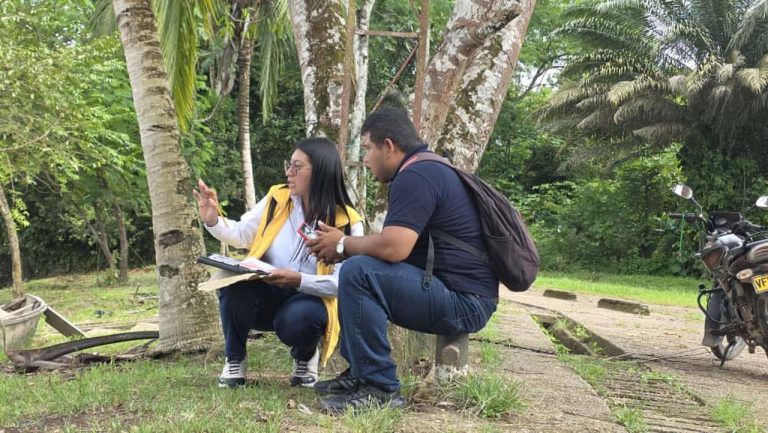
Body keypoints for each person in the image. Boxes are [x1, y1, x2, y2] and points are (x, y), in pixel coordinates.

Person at [308, 107, 499, 413]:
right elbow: (397, 246)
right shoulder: (428, 168)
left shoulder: (416, 175)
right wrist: (342, 247)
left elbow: (394, 248)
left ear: (388, 146)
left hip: (465, 302)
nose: (366, 159)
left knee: (359, 272)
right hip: (460, 294)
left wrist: (342, 243)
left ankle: (380, 388)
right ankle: (361, 374)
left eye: (368, 149)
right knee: (358, 268)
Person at [195, 137, 364, 388]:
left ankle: (305, 356)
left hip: (308, 300)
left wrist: (298, 281)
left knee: (302, 318)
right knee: (234, 284)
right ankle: (235, 359)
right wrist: (213, 220)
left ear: (320, 171)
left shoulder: (346, 221)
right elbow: (242, 234)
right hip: (267, 292)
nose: (288, 172)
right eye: (289, 165)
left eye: (297, 166)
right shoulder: (278, 198)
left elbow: (344, 283)